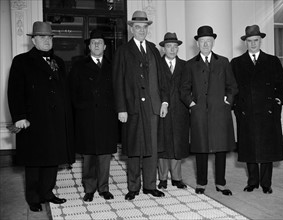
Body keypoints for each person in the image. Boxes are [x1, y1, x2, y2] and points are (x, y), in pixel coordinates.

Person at [7, 21, 75, 212]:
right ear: (34, 40)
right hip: (33, 121)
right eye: (42, 37)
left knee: (52, 160)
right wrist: (19, 116)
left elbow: (64, 92)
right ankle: (33, 197)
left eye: (49, 37)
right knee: (35, 161)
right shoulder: (21, 61)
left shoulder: (59, 62)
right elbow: (15, 92)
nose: (47, 40)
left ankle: (47, 192)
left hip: (54, 121)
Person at [112, 10, 169, 200]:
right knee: (135, 148)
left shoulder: (153, 49)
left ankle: (150, 186)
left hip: (154, 107)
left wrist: (164, 102)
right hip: (132, 108)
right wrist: (121, 108)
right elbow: (117, 81)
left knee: (152, 148)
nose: (141, 31)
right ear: (131, 29)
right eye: (137, 27)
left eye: (144, 27)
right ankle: (134, 187)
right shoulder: (123, 51)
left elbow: (163, 79)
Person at [180, 25, 238, 196]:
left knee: (220, 149)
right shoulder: (190, 65)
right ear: (197, 44)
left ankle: (221, 183)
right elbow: (184, 89)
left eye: (208, 41)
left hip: (220, 113)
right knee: (201, 149)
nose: (205, 44)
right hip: (199, 114)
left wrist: (228, 101)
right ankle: (201, 183)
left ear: (213, 43)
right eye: (202, 41)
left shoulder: (224, 62)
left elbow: (232, 86)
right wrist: (192, 105)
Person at [231, 25, 283, 194]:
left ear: (260, 41)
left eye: (256, 40)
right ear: (245, 43)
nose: (253, 44)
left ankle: (266, 183)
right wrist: (236, 107)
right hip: (246, 112)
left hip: (267, 112)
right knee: (249, 148)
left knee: (267, 149)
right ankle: (252, 182)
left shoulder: (272, 61)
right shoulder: (237, 63)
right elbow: (232, 88)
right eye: (249, 41)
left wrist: (278, 101)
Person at [69, 30, 118, 202]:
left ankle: (103, 188)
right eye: (93, 42)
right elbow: (72, 93)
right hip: (86, 117)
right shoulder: (78, 66)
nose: (96, 45)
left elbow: (117, 92)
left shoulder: (113, 65)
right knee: (89, 155)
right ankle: (89, 188)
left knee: (105, 155)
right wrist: (80, 111)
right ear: (89, 46)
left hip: (107, 117)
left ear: (105, 46)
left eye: (100, 42)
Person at [157, 32, 190, 190]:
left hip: (180, 110)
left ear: (178, 49)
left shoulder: (185, 65)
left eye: (175, 46)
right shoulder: (157, 64)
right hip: (162, 110)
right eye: (169, 46)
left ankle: (177, 178)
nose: (172, 49)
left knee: (177, 144)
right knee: (163, 144)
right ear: (163, 48)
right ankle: (162, 178)